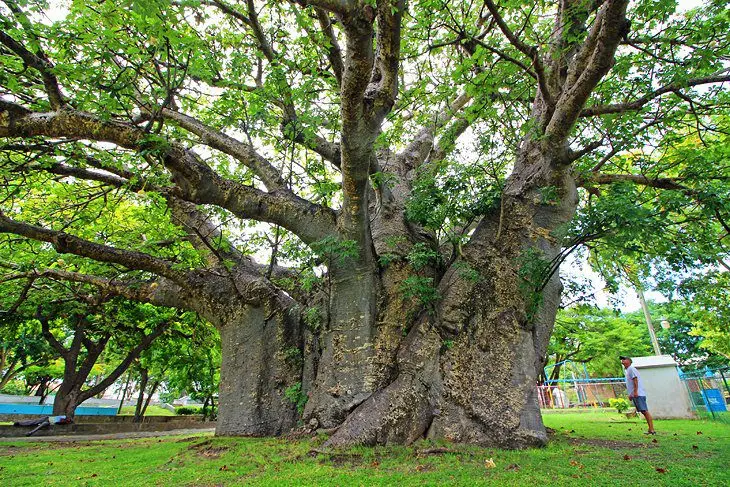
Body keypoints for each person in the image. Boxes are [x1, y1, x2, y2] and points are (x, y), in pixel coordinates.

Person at [620, 355, 656, 435]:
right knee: (643, 411)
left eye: (624, 359)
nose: (622, 361)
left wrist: (636, 392)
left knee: (644, 411)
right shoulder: (628, 370)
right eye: (622, 360)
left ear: (629, 361)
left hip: (639, 394)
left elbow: (635, 380)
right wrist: (631, 394)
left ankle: (652, 429)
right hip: (636, 394)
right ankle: (650, 429)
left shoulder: (631, 369)